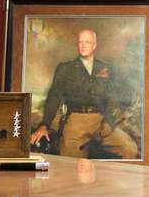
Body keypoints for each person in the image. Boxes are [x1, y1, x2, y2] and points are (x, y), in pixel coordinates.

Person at [29, 29, 140, 159]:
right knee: (69, 163)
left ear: (94, 45)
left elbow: (115, 94)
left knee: (129, 150)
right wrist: (44, 125)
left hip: (102, 121)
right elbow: (54, 97)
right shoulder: (66, 68)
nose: (83, 45)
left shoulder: (106, 67)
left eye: (87, 42)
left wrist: (111, 118)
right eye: (80, 42)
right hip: (77, 122)